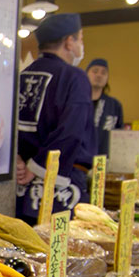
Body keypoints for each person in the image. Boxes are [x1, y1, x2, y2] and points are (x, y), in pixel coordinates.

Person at [14, 13, 94, 223]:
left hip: (20, 189)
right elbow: (71, 131)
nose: (81, 45)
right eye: (80, 39)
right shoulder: (74, 77)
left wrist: (18, 160)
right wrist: (37, 168)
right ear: (69, 42)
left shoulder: (22, 76)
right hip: (59, 187)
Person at [85, 58, 124, 157]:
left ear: (107, 78)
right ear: (86, 74)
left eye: (103, 73)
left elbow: (119, 135)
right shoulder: (76, 102)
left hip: (104, 159)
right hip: (79, 160)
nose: (99, 75)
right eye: (95, 71)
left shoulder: (115, 105)